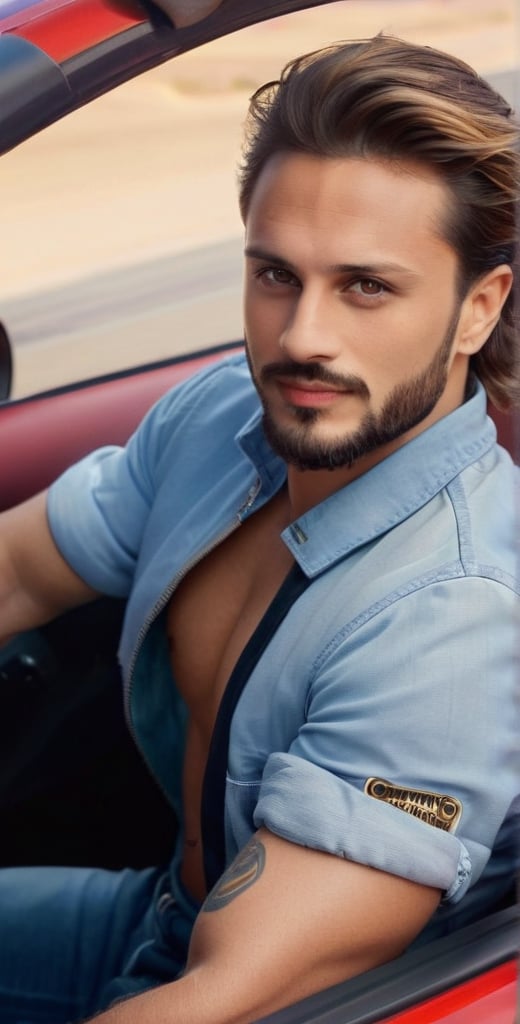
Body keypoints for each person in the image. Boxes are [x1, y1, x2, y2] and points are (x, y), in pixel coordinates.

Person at [0, 33, 518, 1024]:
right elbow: (20, 567)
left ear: (474, 309)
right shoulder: (220, 418)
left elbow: (226, 1000)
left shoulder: (457, 620)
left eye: (366, 286)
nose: (301, 338)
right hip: (157, 914)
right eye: (276, 275)